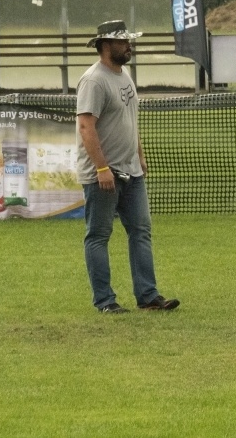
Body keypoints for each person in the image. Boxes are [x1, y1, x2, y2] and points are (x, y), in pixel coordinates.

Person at [76, 20, 180, 313]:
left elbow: (129, 122)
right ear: (106, 45)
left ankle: (148, 297)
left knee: (141, 230)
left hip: (131, 171)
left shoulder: (124, 76)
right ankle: (105, 301)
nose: (128, 46)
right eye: (123, 43)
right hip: (103, 175)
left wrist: (139, 154)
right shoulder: (94, 81)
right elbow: (86, 127)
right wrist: (101, 168)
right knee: (98, 235)